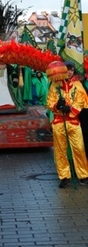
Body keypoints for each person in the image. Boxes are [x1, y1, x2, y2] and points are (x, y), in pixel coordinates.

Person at [46, 60, 88, 188]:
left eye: (71, 69)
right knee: (60, 150)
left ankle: (83, 175)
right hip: (59, 122)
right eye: (67, 69)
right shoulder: (55, 85)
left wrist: (70, 108)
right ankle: (64, 176)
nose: (69, 72)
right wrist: (57, 106)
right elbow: (49, 102)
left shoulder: (77, 84)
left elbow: (82, 100)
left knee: (79, 148)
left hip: (73, 121)